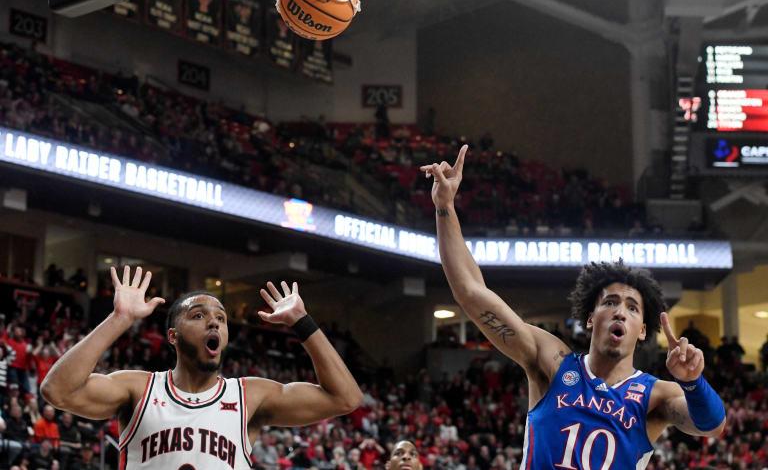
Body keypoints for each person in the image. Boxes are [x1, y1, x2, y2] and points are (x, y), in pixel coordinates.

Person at [421, 146, 726, 469]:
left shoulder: (655, 396)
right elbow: (471, 292)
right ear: (591, 318)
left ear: (643, 331)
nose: (620, 311)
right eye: (610, 302)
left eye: (633, 308)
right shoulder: (553, 364)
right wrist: (445, 207)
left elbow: (712, 425)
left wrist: (693, 382)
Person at [41, 266, 363, 470]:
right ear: (173, 336)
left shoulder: (250, 396)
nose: (213, 321)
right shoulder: (138, 388)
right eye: (198, 315)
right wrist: (120, 319)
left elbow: (345, 398)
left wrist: (302, 323)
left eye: (221, 318)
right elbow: (56, 390)